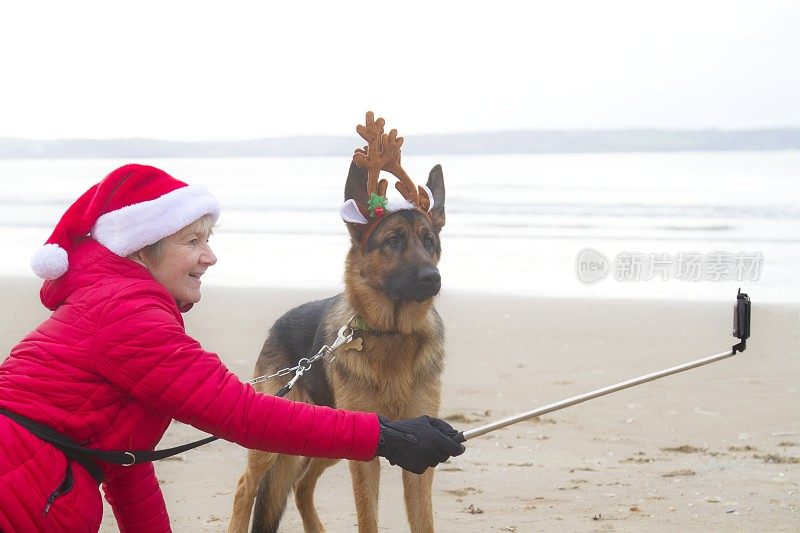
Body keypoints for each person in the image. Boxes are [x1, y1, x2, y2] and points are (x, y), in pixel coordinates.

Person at [0, 164, 465, 532]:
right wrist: (385, 436)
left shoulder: (120, 306)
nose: (210, 255)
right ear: (143, 250)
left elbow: (128, 466)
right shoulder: (126, 317)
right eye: (192, 241)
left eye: (209, 240)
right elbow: (242, 414)